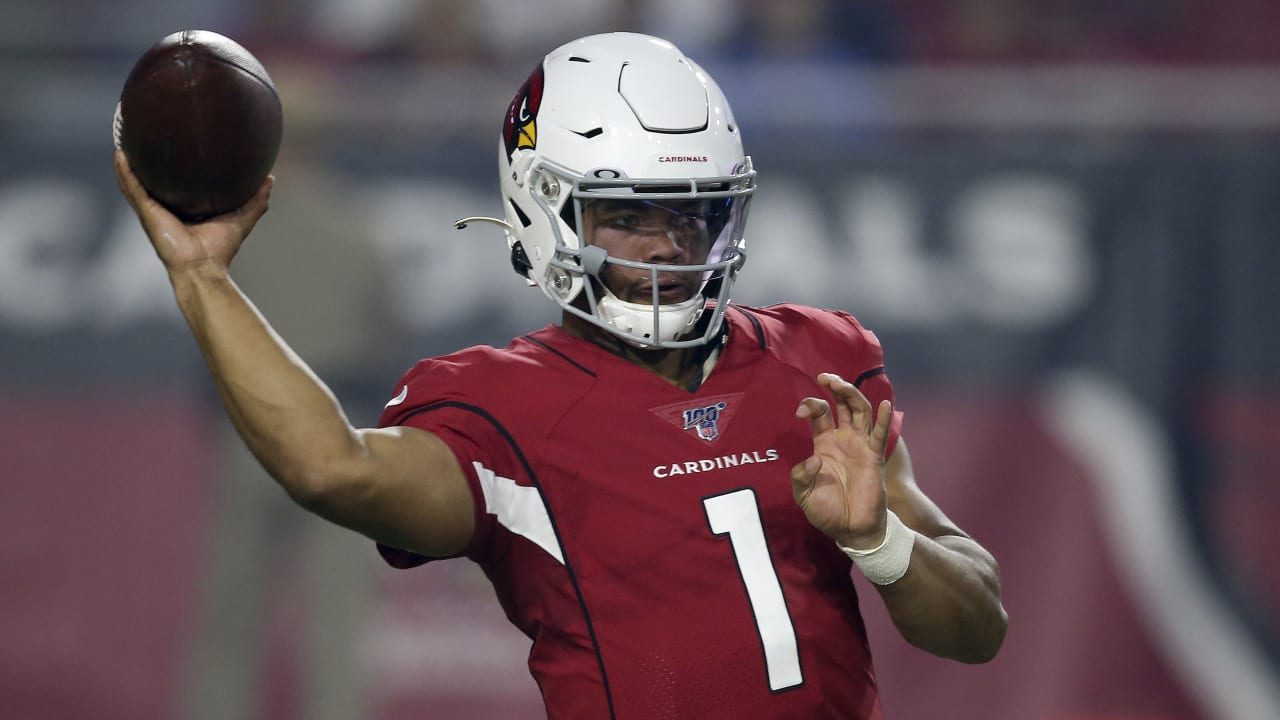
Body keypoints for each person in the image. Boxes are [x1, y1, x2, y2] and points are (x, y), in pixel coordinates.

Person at [115, 31, 1006, 720]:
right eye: (627, 214)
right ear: (543, 211)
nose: (667, 243)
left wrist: (880, 544)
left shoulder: (823, 365)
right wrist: (203, 278)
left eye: (695, 216)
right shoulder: (500, 407)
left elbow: (978, 628)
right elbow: (330, 468)